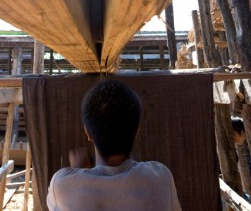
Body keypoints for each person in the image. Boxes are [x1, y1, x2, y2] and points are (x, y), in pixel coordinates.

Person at [47, 80, 182, 210]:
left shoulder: (61, 185)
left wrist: (77, 172)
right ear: (137, 129)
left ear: (87, 132)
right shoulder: (161, 177)